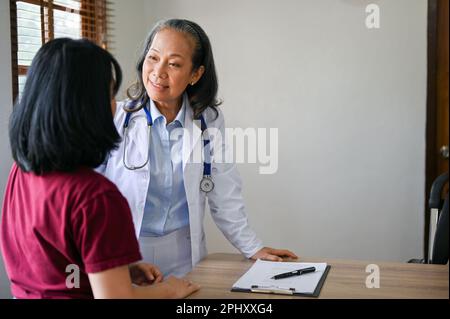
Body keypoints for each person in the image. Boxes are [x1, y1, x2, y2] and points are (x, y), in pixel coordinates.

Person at [0, 38, 199, 299]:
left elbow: (56, 264)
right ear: (88, 107)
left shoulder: (22, 172)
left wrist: (117, 267)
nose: (115, 104)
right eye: (109, 93)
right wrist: (170, 291)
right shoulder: (96, 197)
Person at [97, 19, 298, 277]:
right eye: (153, 58)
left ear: (196, 74)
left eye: (174, 64)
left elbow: (224, 190)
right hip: (126, 252)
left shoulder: (209, 120)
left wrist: (253, 247)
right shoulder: (116, 117)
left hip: (185, 256)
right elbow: (87, 190)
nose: (159, 72)